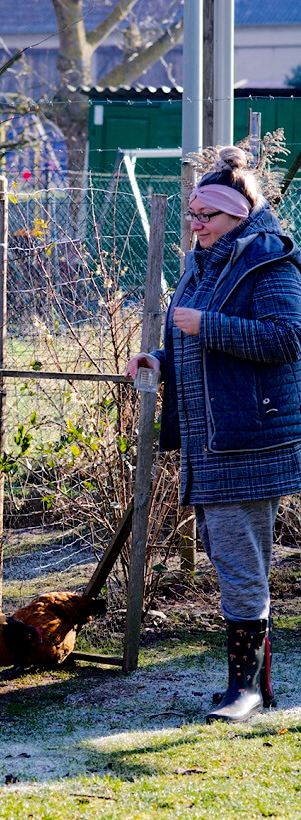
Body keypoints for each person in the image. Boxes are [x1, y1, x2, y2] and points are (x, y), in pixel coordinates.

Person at [126, 146, 301, 723]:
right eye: (193, 214)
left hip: (249, 437)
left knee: (238, 561)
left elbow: (285, 340)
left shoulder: (269, 264)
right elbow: (195, 345)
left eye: (208, 215)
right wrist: (157, 358)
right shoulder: (204, 265)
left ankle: (243, 691)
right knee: (234, 558)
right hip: (210, 442)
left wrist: (208, 325)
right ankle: (259, 685)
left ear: (239, 216)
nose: (196, 223)